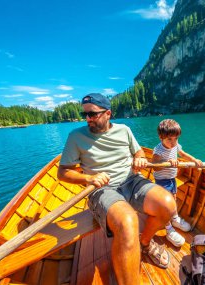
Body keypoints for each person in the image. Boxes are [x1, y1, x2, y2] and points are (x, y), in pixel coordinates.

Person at [57, 93, 176, 285]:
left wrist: (139, 158)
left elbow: (137, 152)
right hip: (101, 190)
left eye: (93, 114)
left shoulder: (124, 130)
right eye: (85, 114)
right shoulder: (76, 137)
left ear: (108, 113)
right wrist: (89, 177)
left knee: (168, 204)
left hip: (131, 180)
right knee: (128, 222)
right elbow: (63, 173)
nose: (88, 119)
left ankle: (144, 243)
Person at [152, 119, 202, 247]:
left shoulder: (175, 145)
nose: (173, 143)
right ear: (161, 137)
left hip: (171, 178)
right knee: (166, 205)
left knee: (173, 199)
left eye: (176, 139)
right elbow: (155, 167)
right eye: (169, 139)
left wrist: (194, 160)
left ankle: (174, 219)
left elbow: (182, 154)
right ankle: (168, 228)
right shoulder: (158, 150)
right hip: (162, 181)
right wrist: (169, 162)